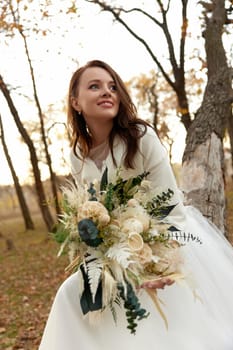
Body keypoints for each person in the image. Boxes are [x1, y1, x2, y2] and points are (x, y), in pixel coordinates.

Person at [39, 60, 233, 349]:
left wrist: (158, 264)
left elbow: (171, 209)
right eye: (95, 86)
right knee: (71, 295)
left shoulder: (141, 138)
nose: (107, 92)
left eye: (112, 86)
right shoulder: (77, 154)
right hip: (114, 254)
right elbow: (91, 217)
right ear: (76, 102)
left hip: (166, 241)